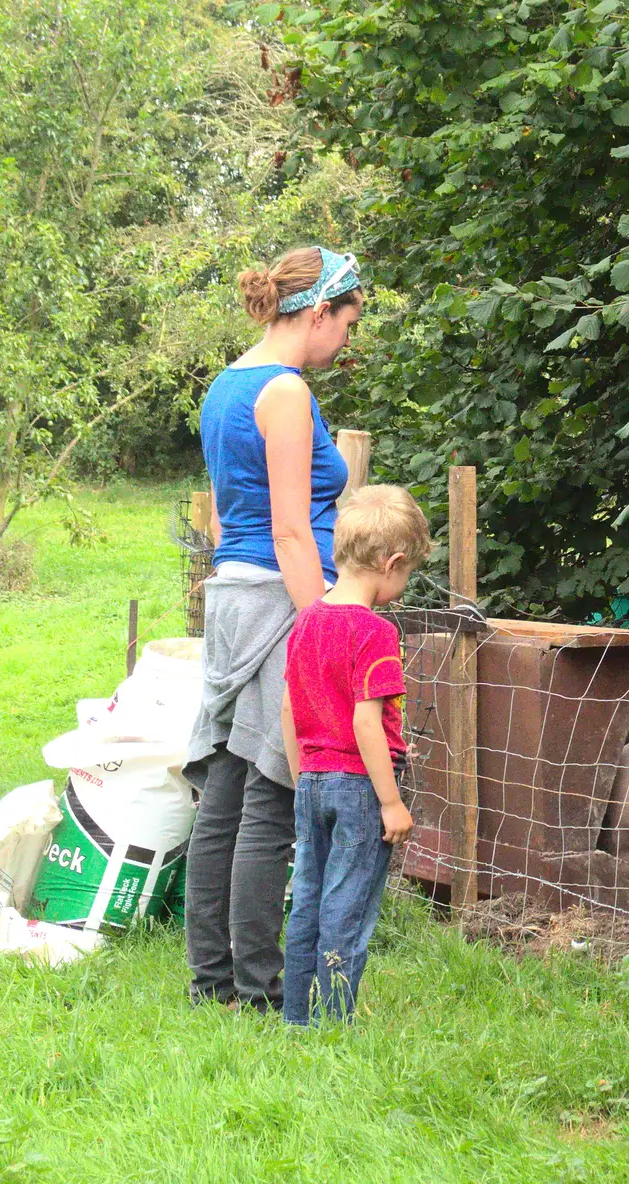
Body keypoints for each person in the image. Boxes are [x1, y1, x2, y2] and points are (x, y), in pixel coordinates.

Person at [184, 246, 363, 1012]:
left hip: (231, 591)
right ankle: (257, 987)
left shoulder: (228, 382)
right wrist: (325, 627)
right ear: (318, 312)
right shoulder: (285, 392)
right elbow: (293, 530)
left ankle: (211, 981)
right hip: (279, 597)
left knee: (225, 785)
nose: (347, 342)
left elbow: (227, 513)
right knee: (267, 789)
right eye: (348, 324)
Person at [280, 485, 429, 1025]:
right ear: (391, 563)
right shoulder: (375, 632)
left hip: (313, 780)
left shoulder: (307, 621)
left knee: (308, 904)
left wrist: (304, 778)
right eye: (406, 572)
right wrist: (390, 802)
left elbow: (289, 709)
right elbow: (366, 722)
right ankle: (334, 1025)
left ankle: (297, 1017)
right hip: (360, 789)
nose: (403, 583)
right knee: (348, 909)